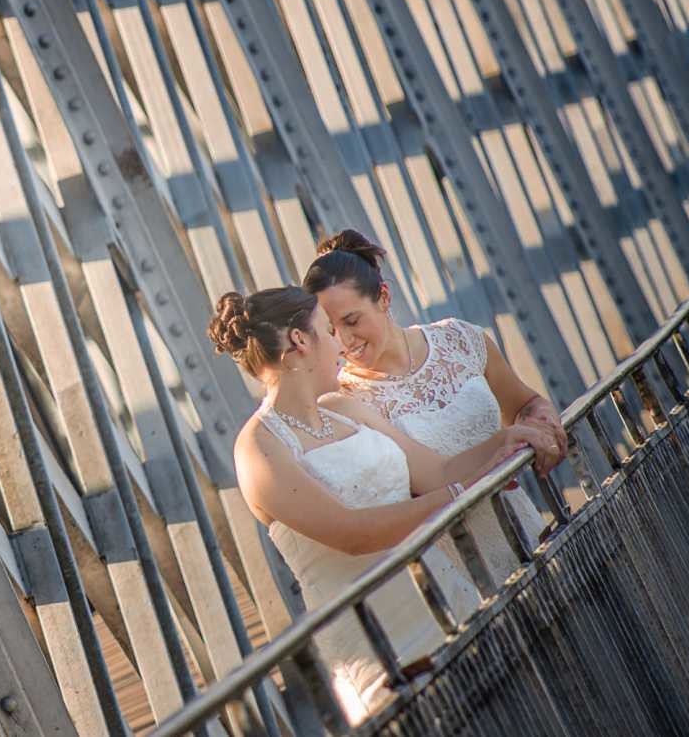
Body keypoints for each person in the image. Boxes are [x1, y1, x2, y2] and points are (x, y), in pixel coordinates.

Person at [210, 286, 561, 722]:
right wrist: (453, 500)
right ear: (300, 341)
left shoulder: (343, 408)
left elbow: (438, 474)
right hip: (377, 645)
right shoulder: (259, 447)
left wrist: (506, 441)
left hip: (449, 603)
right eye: (327, 329)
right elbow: (352, 534)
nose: (341, 343)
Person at [304, 230, 569, 578]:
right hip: (455, 566)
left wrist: (544, 423)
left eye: (352, 320)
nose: (344, 339)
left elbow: (525, 403)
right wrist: (508, 439)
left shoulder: (459, 338)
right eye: (330, 329)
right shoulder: (345, 400)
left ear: (383, 298)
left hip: (529, 529)